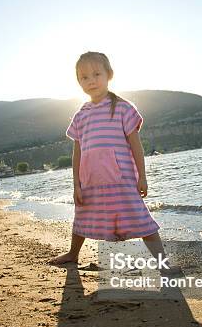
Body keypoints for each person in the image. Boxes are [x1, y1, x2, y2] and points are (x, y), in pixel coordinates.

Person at [48, 51, 172, 272]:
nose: (91, 80)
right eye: (84, 77)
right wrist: (76, 184)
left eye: (96, 74)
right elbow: (77, 153)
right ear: (78, 82)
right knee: (83, 216)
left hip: (121, 179)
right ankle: (73, 254)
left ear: (109, 75)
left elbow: (136, 146)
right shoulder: (80, 115)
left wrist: (142, 176)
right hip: (90, 180)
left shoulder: (123, 108)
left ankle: (163, 263)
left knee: (140, 217)